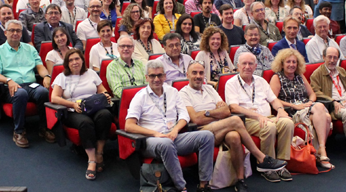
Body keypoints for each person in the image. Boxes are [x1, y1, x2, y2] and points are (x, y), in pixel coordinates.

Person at [181, 60, 286, 192]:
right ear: (187, 75)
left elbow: (226, 111)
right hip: (202, 132)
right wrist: (215, 112)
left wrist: (206, 113)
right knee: (236, 120)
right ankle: (261, 157)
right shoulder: (183, 93)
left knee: (234, 136)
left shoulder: (209, 88)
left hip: (220, 128)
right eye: (194, 73)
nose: (198, 76)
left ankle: (240, 180)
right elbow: (195, 119)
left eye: (201, 73)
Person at [124, 60, 214, 192]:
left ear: (165, 76)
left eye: (160, 75)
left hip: (173, 136)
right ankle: (181, 186)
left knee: (207, 136)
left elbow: (185, 116)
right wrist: (155, 134)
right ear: (146, 78)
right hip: (151, 141)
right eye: (152, 76)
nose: (156, 79)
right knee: (165, 143)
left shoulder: (172, 92)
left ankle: (204, 184)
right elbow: (129, 126)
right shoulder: (140, 97)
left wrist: (176, 130)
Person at [226, 53, 293, 182]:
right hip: (248, 121)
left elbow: (274, 100)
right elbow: (233, 107)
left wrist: (280, 110)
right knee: (268, 126)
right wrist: (258, 116)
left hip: (268, 117)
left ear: (255, 66)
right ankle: (267, 166)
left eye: (250, 64)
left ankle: (282, 163)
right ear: (238, 66)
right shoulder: (231, 83)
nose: (247, 67)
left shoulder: (261, 81)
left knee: (287, 122)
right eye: (244, 64)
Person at [0, 19, 53, 147]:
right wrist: (8, 80)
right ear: (5, 33)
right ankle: (19, 131)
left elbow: (39, 66)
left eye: (18, 31)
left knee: (43, 92)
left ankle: (44, 127)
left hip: (30, 84)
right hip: (9, 86)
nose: (15, 33)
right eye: (12, 30)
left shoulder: (29, 49)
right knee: (21, 93)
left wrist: (46, 75)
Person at [49, 49, 111, 180]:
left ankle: (100, 151)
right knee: (85, 123)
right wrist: (72, 105)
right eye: (70, 60)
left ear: (82, 60)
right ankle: (92, 160)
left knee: (105, 114)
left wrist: (106, 96)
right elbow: (54, 98)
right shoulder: (62, 77)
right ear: (67, 63)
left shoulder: (91, 73)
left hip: (93, 107)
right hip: (73, 110)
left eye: (77, 59)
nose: (74, 62)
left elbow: (102, 90)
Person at [269, 48, 333, 168]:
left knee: (321, 110)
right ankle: (321, 152)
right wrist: (294, 105)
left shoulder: (300, 76)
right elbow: (273, 99)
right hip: (292, 111)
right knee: (326, 116)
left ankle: (319, 153)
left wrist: (309, 102)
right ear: (282, 64)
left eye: (294, 62)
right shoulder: (277, 77)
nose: (291, 65)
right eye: (288, 62)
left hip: (307, 108)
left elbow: (312, 94)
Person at [106, 35, 147, 99]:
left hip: (144, 99)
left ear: (133, 49)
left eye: (129, 46)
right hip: (126, 101)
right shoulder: (112, 67)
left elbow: (147, 84)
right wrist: (136, 98)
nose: (126, 49)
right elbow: (118, 91)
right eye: (122, 46)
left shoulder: (140, 64)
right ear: (118, 48)